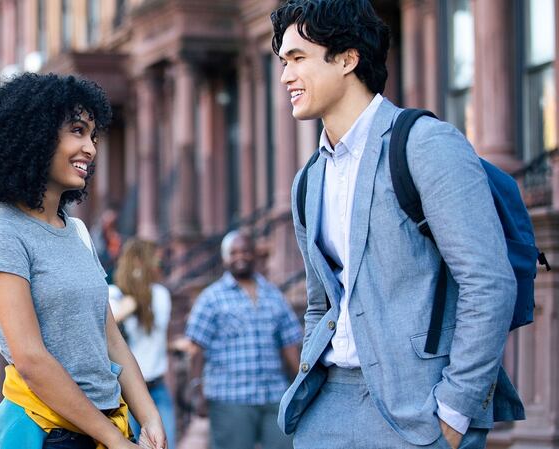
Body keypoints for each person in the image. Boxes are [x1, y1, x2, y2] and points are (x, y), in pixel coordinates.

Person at [271, 1, 523, 448]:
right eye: (283, 62)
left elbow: (488, 282)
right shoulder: (308, 179)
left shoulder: (426, 145)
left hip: (420, 409)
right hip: (328, 405)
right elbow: (319, 302)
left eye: (298, 59)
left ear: (347, 59)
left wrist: (455, 407)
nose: (286, 76)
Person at [0, 72, 165, 449]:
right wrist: (114, 440)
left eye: (93, 136)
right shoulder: (2, 234)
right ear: (34, 135)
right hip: (49, 434)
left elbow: (110, 338)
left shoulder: (77, 231)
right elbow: (31, 359)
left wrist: (150, 417)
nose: (91, 148)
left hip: (109, 425)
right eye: (77, 131)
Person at [177, 231, 302, 449]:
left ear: (254, 255)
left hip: (274, 395)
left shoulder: (274, 295)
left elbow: (290, 345)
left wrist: (302, 385)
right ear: (225, 259)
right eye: (233, 252)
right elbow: (196, 349)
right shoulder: (211, 298)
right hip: (229, 398)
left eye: (245, 251)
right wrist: (197, 391)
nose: (240, 256)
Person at [109, 239, 175, 449]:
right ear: (138, 262)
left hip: (157, 388)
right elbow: (109, 329)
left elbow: (155, 334)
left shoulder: (160, 295)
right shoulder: (113, 294)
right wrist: (132, 302)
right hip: (124, 393)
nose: (158, 266)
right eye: (154, 261)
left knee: (164, 443)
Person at [92, 205, 123, 283]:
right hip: (102, 270)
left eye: (113, 223)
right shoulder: (97, 234)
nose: (110, 225)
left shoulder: (117, 235)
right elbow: (98, 252)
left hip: (114, 269)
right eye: (108, 222)